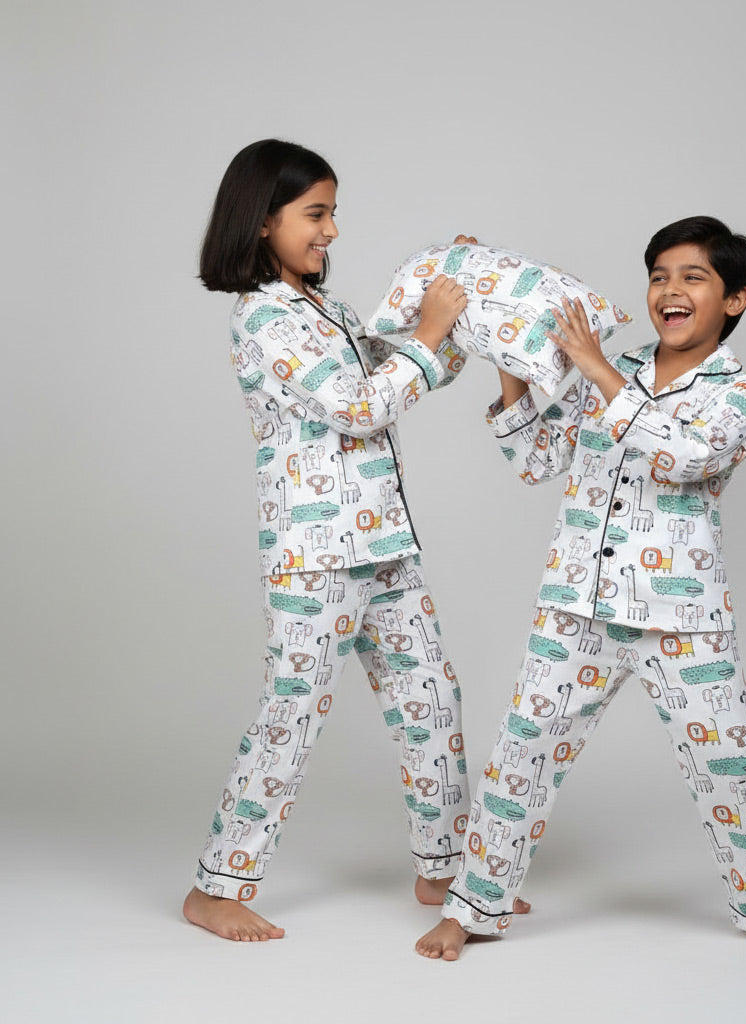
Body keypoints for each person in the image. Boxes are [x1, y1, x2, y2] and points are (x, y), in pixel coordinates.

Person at [416, 216, 746, 959]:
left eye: (693, 277)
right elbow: (536, 457)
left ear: (734, 299)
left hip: (681, 615)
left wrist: (594, 366)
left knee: (733, 766)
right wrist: (508, 353)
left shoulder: (737, 392)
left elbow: (686, 458)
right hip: (577, 606)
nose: (670, 290)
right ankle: (472, 905)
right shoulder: (617, 368)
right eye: (659, 276)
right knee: (519, 756)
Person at [183, 139, 475, 941]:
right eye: (316, 213)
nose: (332, 230)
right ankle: (216, 887)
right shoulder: (264, 317)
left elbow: (415, 373)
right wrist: (429, 335)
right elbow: (357, 406)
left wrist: (453, 295)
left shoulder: (330, 311)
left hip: (385, 543)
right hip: (316, 553)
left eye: (334, 213)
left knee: (432, 699)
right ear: (263, 219)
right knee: (294, 712)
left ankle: (443, 864)